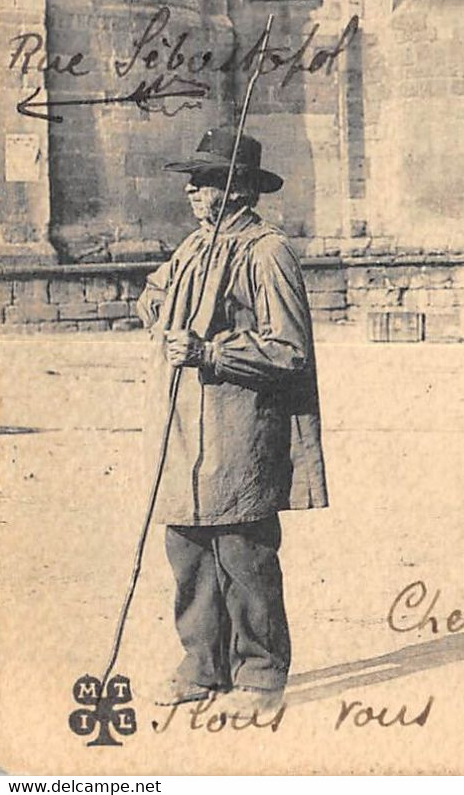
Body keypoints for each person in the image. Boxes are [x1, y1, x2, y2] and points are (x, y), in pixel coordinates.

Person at [136, 128, 326, 716]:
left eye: (207, 180)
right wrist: (157, 312)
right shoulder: (194, 246)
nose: (193, 189)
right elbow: (152, 295)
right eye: (194, 181)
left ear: (239, 189)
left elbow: (290, 349)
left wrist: (211, 352)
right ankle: (203, 666)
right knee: (186, 547)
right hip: (184, 429)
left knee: (243, 552)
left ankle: (262, 677)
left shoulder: (268, 252)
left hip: (239, 428)